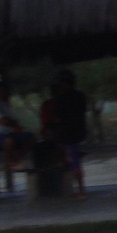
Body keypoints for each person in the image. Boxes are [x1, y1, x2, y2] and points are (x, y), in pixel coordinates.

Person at [47, 69, 89, 199]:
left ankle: (81, 191)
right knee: (73, 157)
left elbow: (58, 118)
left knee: (74, 160)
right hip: (79, 131)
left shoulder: (62, 99)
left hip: (67, 133)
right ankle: (66, 159)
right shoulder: (80, 96)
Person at [0, 81, 33, 169]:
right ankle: (11, 161)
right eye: (2, 91)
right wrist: (14, 125)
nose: (5, 93)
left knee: (30, 137)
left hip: (7, 134)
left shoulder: (4, 105)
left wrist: (15, 126)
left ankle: (18, 158)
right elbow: (3, 121)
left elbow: (13, 120)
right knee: (8, 140)